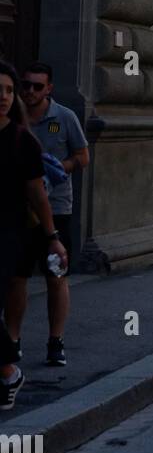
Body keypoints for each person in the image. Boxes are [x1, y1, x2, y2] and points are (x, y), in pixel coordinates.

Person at [5, 62, 88, 369]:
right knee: (17, 278)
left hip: (56, 210)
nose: (30, 91)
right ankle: (13, 342)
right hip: (20, 214)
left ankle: (56, 341)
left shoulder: (62, 118)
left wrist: (55, 170)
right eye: (25, 85)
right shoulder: (13, 121)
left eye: (37, 86)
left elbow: (83, 157)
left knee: (56, 276)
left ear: (49, 89)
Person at [0, 62, 68, 409]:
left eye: (10, 91)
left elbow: (38, 195)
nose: (8, 96)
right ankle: (8, 365)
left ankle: (13, 364)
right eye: (13, 88)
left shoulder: (22, 139)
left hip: (12, 231)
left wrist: (53, 235)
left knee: (37, 282)